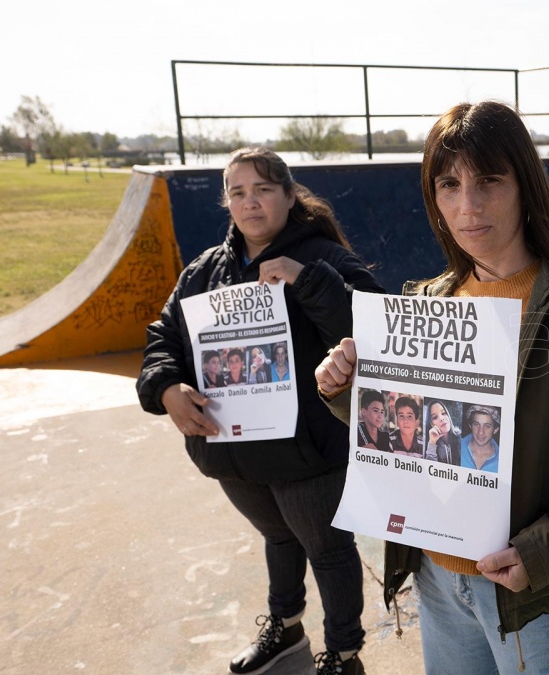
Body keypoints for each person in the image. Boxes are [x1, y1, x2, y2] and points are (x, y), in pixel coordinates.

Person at [315, 101, 549, 674]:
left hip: (536, 595)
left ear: (525, 186)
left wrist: (542, 553)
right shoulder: (427, 303)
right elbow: (410, 439)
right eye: (448, 184)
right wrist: (348, 391)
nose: (467, 206)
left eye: (489, 182)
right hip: (435, 579)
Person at [137, 146, 383, 675]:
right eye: (238, 192)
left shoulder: (326, 260)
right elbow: (164, 338)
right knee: (277, 537)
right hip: (232, 452)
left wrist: (307, 278)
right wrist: (166, 389)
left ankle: (343, 656)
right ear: (227, 201)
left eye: (264, 189)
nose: (250, 203)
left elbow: (375, 329)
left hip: (308, 455)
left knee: (328, 552)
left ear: (290, 197)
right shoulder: (204, 271)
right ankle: (286, 627)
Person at [460, 405, 499, 473]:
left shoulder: (503, 459)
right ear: (470, 426)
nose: (480, 432)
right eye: (476, 424)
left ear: (495, 430)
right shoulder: (455, 448)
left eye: (487, 426)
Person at [424, 400, 460, 466]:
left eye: (443, 413)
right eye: (435, 417)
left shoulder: (460, 438)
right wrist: (432, 443)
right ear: (431, 424)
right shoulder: (430, 444)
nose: (441, 418)